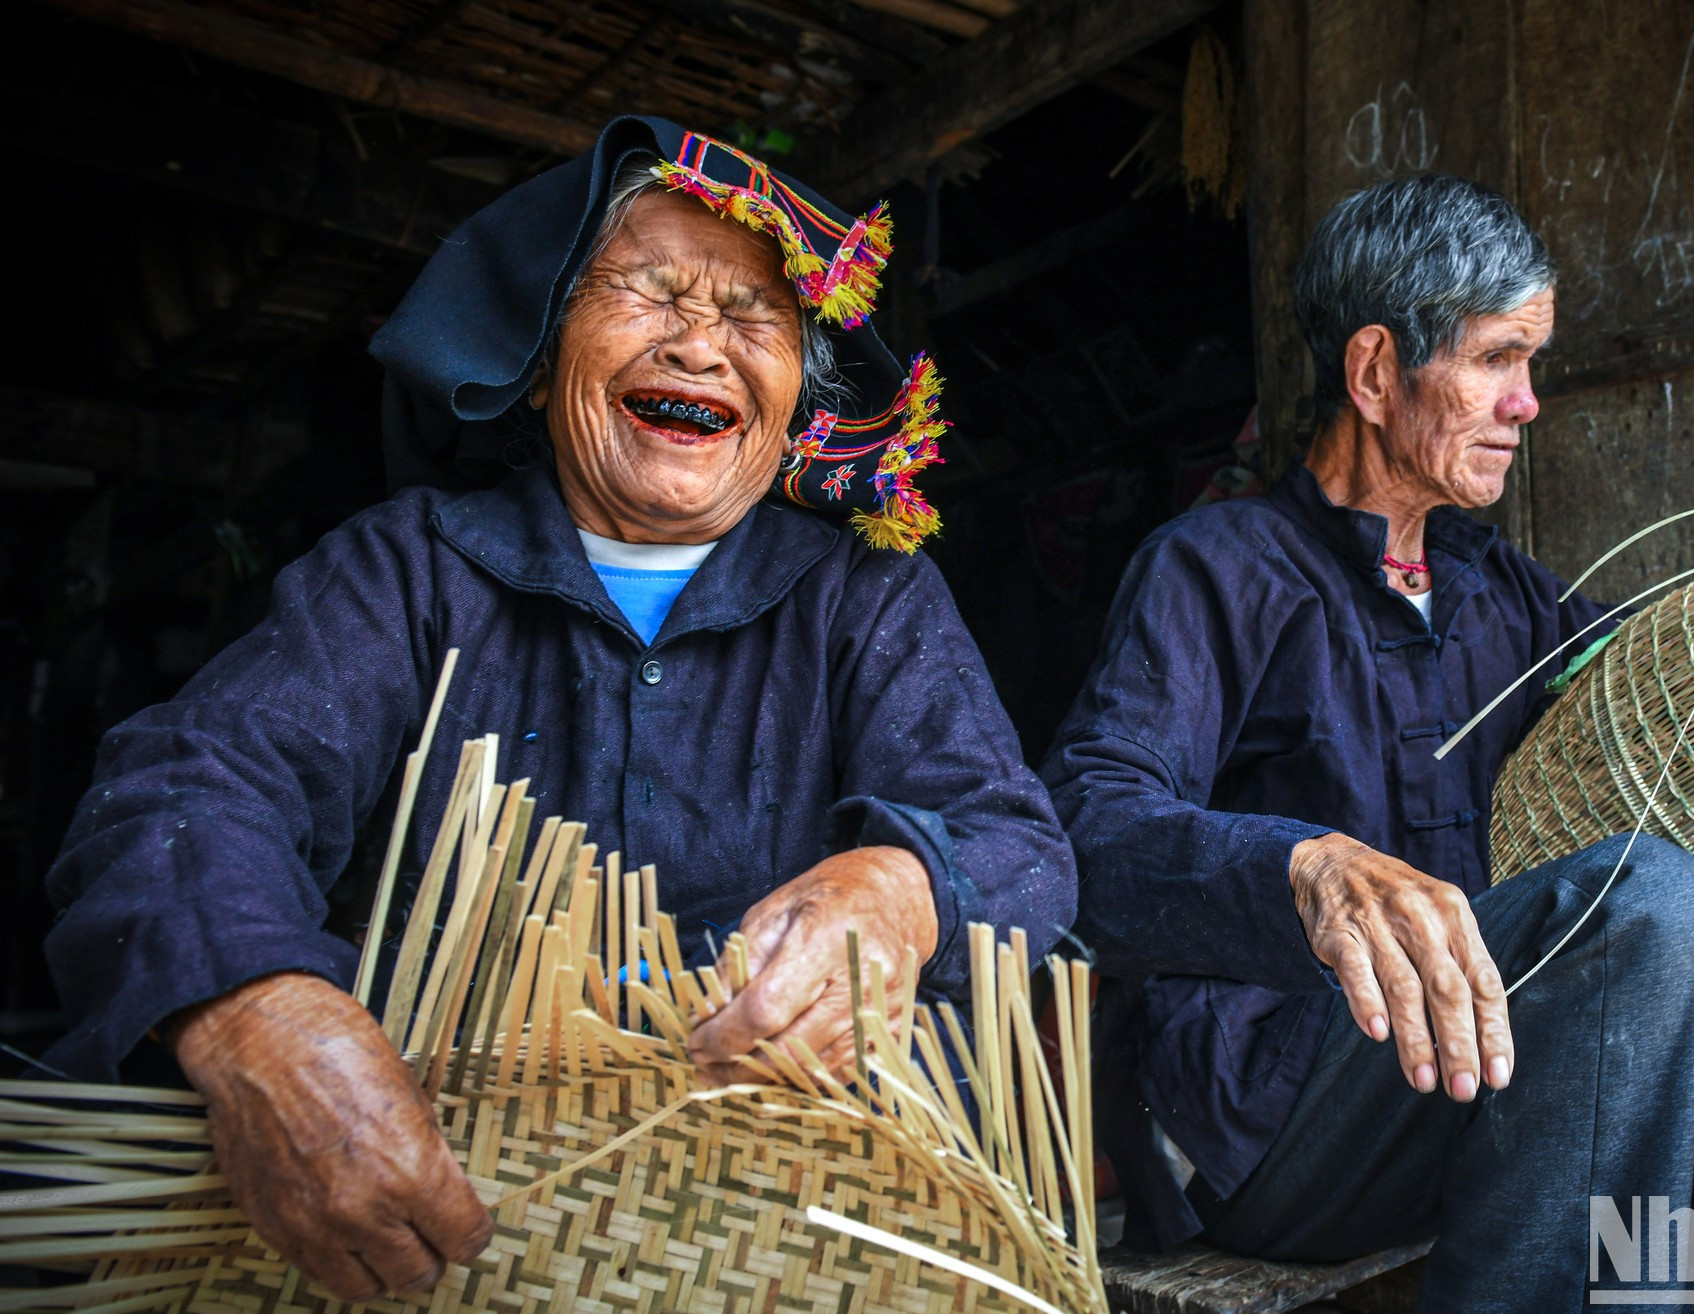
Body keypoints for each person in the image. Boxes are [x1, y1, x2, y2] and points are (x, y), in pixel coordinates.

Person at [42, 117, 1075, 1302]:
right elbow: (190, 787)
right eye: (647, 292)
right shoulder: (404, 574)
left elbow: (1014, 841)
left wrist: (903, 890)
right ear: (540, 357)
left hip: (778, 1241)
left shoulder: (866, 597)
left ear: (795, 407)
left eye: (752, 319)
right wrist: (254, 1014)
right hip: (445, 1231)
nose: (698, 344)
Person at [1041, 174, 1694, 1310]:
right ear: (1373, 372)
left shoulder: (1496, 586)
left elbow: (1660, 710)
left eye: (1531, 363)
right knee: (1641, 898)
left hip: (1490, 1086)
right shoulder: (1214, 569)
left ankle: (1666, 1291)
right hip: (1276, 1116)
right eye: (1497, 358)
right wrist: (1301, 864)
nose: (1527, 403)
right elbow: (1085, 827)